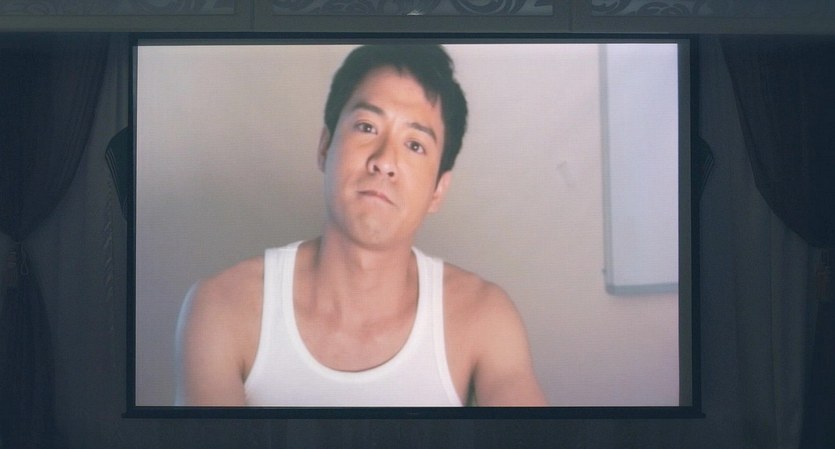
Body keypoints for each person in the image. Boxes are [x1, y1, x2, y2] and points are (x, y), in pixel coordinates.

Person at [174, 45, 546, 407]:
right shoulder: (222, 308)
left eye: (415, 145)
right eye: (367, 127)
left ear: (438, 190)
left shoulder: (484, 318)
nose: (385, 161)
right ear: (325, 147)